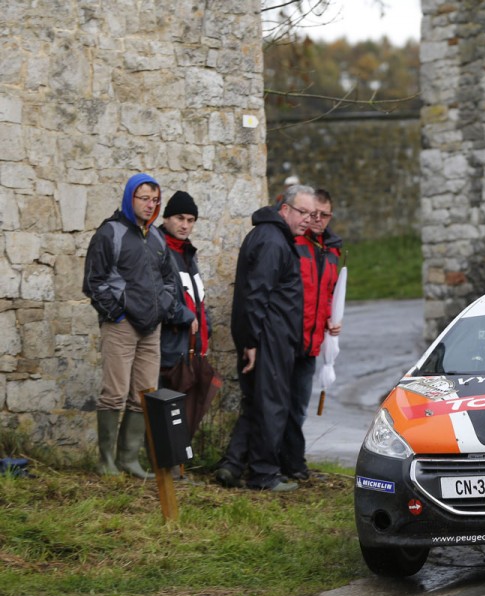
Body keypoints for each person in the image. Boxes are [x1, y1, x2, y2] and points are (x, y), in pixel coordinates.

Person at [83, 173, 193, 478]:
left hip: (151, 328)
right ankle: (106, 462)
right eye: (144, 198)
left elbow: (169, 279)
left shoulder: (156, 237)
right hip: (120, 326)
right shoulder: (110, 233)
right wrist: (117, 314)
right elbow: (94, 281)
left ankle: (129, 460)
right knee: (114, 393)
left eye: (155, 199)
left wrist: (164, 308)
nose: (150, 204)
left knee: (144, 393)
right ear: (130, 197)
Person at [214, 184, 314, 492]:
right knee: (272, 404)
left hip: (271, 335)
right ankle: (263, 474)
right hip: (270, 336)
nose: (308, 219)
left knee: (258, 403)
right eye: (302, 212)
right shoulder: (273, 241)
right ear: (285, 209)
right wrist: (253, 343)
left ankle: (232, 465)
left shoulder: (272, 237)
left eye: (312, 214)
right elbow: (256, 295)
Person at [280, 188, 343, 481]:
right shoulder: (293, 242)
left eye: (324, 214)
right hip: (288, 336)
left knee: (300, 406)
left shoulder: (332, 250)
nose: (317, 220)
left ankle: (293, 461)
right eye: (312, 213)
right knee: (281, 403)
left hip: (313, 341)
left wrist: (333, 318)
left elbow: (328, 292)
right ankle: (285, 461)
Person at [158, 191, 210, 480]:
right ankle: (166, 469)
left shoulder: (188, 253)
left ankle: (177, 467)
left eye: (191, 220)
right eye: (180, 218)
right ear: (167, 218)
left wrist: (207, 329)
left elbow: (198, 298)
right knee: (168, 408)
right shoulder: (159, 248)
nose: (185, 225)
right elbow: (159, 295)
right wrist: (183, 316)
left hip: (191, 347)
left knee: (185, 408)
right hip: (169, 345)